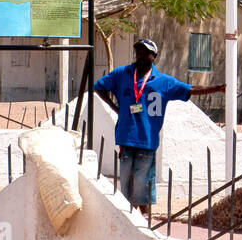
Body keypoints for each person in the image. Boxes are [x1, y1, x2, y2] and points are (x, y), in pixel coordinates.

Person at [92, 38, 223, 216]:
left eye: (146, 53)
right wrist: (115, 108)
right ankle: (130, 219)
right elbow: (99, 86)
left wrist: (218, 88)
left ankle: (143, 221)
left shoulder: (163, 81)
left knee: (142, 187)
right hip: (125, 138)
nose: (141, 56)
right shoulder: (122, 74)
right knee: (126, 186)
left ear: (154, 56)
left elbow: (191, 89)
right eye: (138, 52)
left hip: (147, 141)